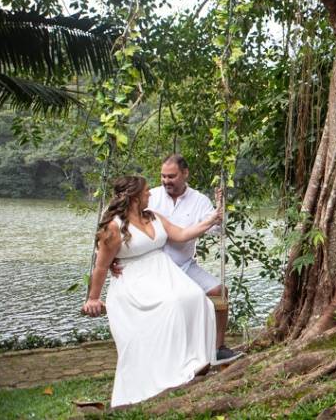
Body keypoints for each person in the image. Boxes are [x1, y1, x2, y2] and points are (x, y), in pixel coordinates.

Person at [82, 175, 220, 407]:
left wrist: (213, 218)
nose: (151, 194)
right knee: (172, 305)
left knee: (197, 298)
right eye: (146, 191)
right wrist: (93, 298)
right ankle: (173, 371)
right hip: (134, 283)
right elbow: (101, 267)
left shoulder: (154, 216)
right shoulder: (113, 228)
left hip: (164, 273)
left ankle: (195, 361)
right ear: (135, 196)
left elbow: (183, 234)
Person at [145, 154, 241, 363]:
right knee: (172, 303)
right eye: (163, 176)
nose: (166, 181)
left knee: (220, 292)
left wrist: (219, 210)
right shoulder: (151, 197)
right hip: (157, 267)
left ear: (185, 174)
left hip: (185, 265)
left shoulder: (198, 200)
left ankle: (218, 347)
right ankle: (163, 353)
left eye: (171, 176)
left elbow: (217, 231)